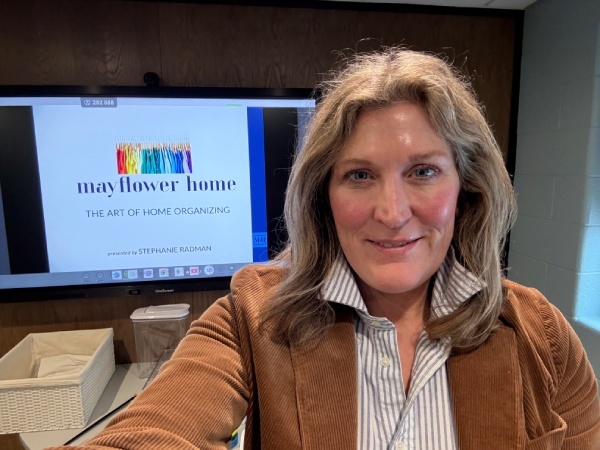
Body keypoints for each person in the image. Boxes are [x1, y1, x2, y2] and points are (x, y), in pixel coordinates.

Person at [47, 48, 600, 450]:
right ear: (322, 196)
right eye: (359, 175)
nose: (392, 212)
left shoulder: (541, 335)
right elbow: (155, 431)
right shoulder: (253, 318)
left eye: (423, 171)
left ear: (467, 186)